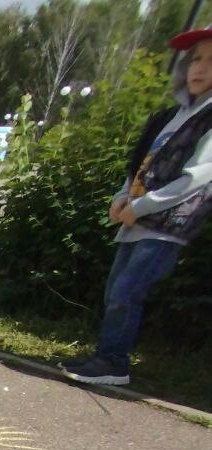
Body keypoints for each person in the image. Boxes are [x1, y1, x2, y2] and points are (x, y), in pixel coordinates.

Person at [62, 25, 212, 387]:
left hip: (166, 224)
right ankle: (105, 354)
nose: (200, 68)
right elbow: (140, 165)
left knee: (128, 290)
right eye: (196, 59)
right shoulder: (169, 117)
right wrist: (122, 197)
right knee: (116, 289)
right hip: (136, 217)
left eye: (211, 61)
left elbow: (196, 178)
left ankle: (114, 362)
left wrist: (142, 207)